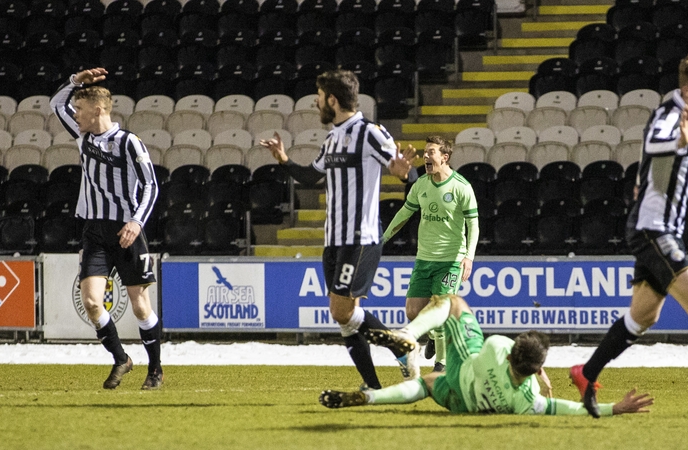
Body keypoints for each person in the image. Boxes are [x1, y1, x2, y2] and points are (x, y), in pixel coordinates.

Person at [568, 51, 688, 422]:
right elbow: (655, 143)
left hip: (660, 229)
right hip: (652, 230)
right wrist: (679, 140)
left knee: (643, 316)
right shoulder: (669, 117)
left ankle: (586, 373)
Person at [259, 70, 416, 390]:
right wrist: (284, 159)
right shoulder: (332, 139)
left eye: (319, 97)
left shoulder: (370, 132)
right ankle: (373, 385)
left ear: (332, 99)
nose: (316, 103)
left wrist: (403, 175)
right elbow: (311, 177)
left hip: (360, 237)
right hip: (333, 239)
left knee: (340, 309)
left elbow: (404, 172)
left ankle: (398, 342)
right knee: (345, 317)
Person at [319, 294, 654, 417]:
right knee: (427, 383)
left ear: (512, 355)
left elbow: (510, 348)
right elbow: (569, 409)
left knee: (452, 303)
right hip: (462, 403)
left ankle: (409, 335)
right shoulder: (528, 402)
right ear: (535, 369)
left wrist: (540, 370)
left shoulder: (497, 347)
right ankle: (373, 398)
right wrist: (615, 408)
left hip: (469, 367)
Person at [50, 68, 163, 390]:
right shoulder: (83, 136)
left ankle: (155, 369)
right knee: (91, 302)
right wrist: (75, 80)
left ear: (98, 110)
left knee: (140, 304)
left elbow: (151, 187)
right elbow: (56, 106)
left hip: (127, 230)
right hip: (95, 231)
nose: (75, 116)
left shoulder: (130, 143)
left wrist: (135, 221)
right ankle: (120, 359)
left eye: (80, 110)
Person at [382, 136, 479, 372]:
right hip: (424, 258)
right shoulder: (421, 185)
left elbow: (473, 224)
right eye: (425, 152)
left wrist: (469, 257)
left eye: (431, 152)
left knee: (441, 310)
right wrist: (381, 240)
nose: (426, 156)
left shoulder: (461, 186)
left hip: (451, 260)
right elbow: (404, 214)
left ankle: (441, 365)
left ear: (444, 157)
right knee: (413, 311)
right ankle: (435, 336)